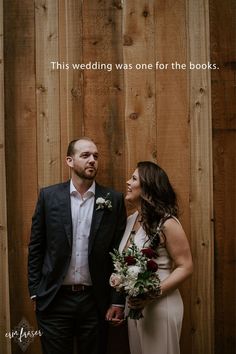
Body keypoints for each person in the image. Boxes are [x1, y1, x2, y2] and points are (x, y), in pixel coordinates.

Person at [28, 137, 126, 354]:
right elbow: (36, 246)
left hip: (95, 301)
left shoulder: (114, 200)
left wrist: (117, 301)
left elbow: (119, 254)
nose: (92, 160)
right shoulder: (49, 196)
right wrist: (36, 292)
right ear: (69, 161)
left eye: (96, 156)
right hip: (54, 300)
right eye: (85, 156)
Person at [116, 161, 193, 354]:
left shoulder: (167, 223)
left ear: (148, 186)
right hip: (135, 308)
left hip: (161, 306)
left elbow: (186, 266)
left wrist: (152, 294)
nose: (127, 182)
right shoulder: (131, 220)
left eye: (133, 178)